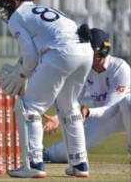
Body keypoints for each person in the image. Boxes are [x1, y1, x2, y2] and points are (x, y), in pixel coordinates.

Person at [0, 0, 94, 178]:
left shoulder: (17, 17)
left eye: (6, 6)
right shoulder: (47, 9)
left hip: (61, 54)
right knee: (69, 108)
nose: (5, 12)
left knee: (29, 107)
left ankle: (33, 164)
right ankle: (79, 164)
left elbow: (30, 55)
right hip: (85, 52)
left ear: (14, 2)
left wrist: (22, 74)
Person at [43, 27, 131, 164]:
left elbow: (111, 108)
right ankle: (47, 153)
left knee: (127, 102)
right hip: (103, 117)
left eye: (92, 51)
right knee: (70, 153)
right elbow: (74, 98)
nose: (88, 55)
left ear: (104, 50)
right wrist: (57, 118)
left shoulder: (120, 68)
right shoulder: (85, 68)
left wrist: (88, 111)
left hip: (122, 112)